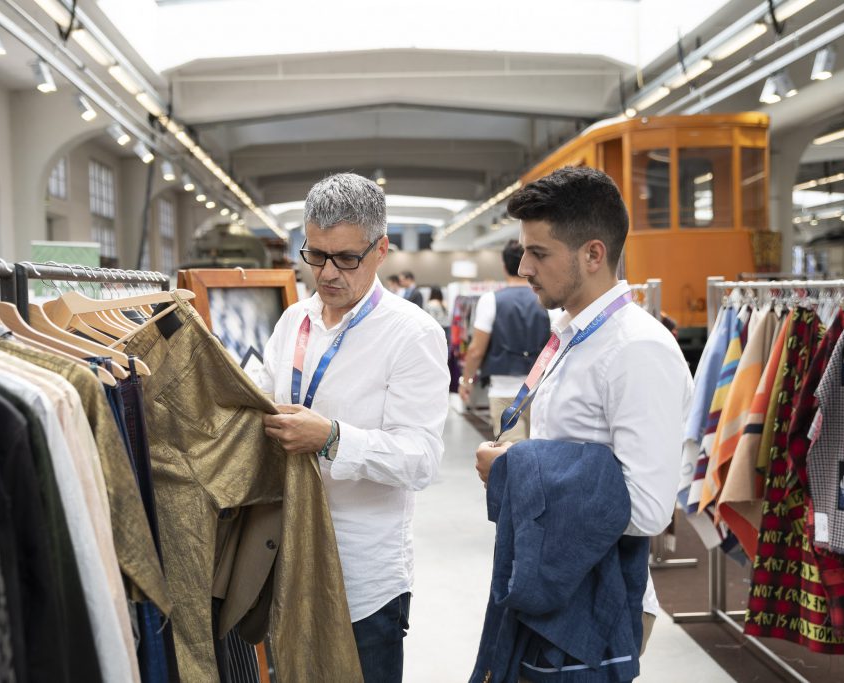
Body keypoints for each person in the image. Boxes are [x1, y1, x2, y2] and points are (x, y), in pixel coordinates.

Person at [474, 166, 693, 656]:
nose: (524, 267)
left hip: (601, 602)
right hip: (559, 581)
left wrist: (519, 470)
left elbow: (647, 508)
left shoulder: (637, 350)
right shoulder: (574, 334)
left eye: (539, 253)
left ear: (594, 253)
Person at [256, 172, 450, 683]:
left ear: (381, 249)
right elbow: (259, 396)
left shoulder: (412, 336)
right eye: (315, 255)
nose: (327, 273)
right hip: (286, 559)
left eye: (346, 258)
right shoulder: (293, 321)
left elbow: (422, 459)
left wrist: (333, 440)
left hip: (361, 580)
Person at [457, 240, 551, 441]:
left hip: (503, 391)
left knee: (511, 456)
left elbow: (476, 350)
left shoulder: (490, 300)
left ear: (504, 265)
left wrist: (466, 381)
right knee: (541, 456)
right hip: (541, 390)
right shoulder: (546, 299)